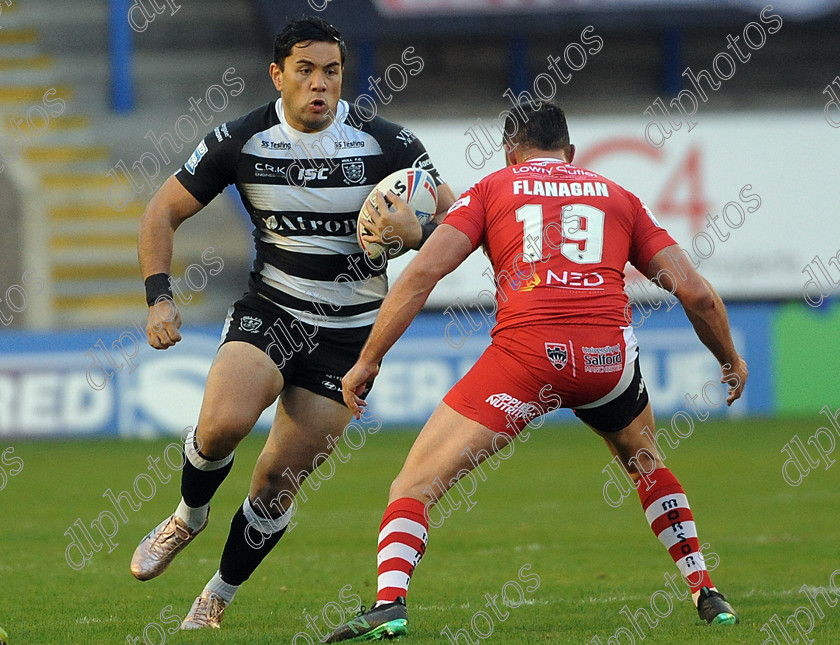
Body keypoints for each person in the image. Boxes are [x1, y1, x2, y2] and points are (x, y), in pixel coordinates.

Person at [324, 100, 749, 641]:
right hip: (608, 362)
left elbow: (423, 275)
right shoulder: (620, 197)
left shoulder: (494, 188)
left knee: (415, 482)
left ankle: (389, 605)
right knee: (646, 464)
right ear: (570, 152)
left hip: (528, 360)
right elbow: (695, 294)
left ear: (509, 153)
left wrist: (369, 359)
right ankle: (706, 592)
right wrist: (729, 359)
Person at [130, 16, 455, 630]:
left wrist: (423, 232)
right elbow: (160, 213)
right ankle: (188, 517)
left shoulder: (388, 144)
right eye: (304, 71)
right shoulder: (242, 139)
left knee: (277, 479)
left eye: (330, 71)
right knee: (222, 425)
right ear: (277, 75)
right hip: (272, 310)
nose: (319, 84)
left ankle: (217, 597)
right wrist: (159, 298)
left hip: (349, 336)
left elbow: (464, 224)